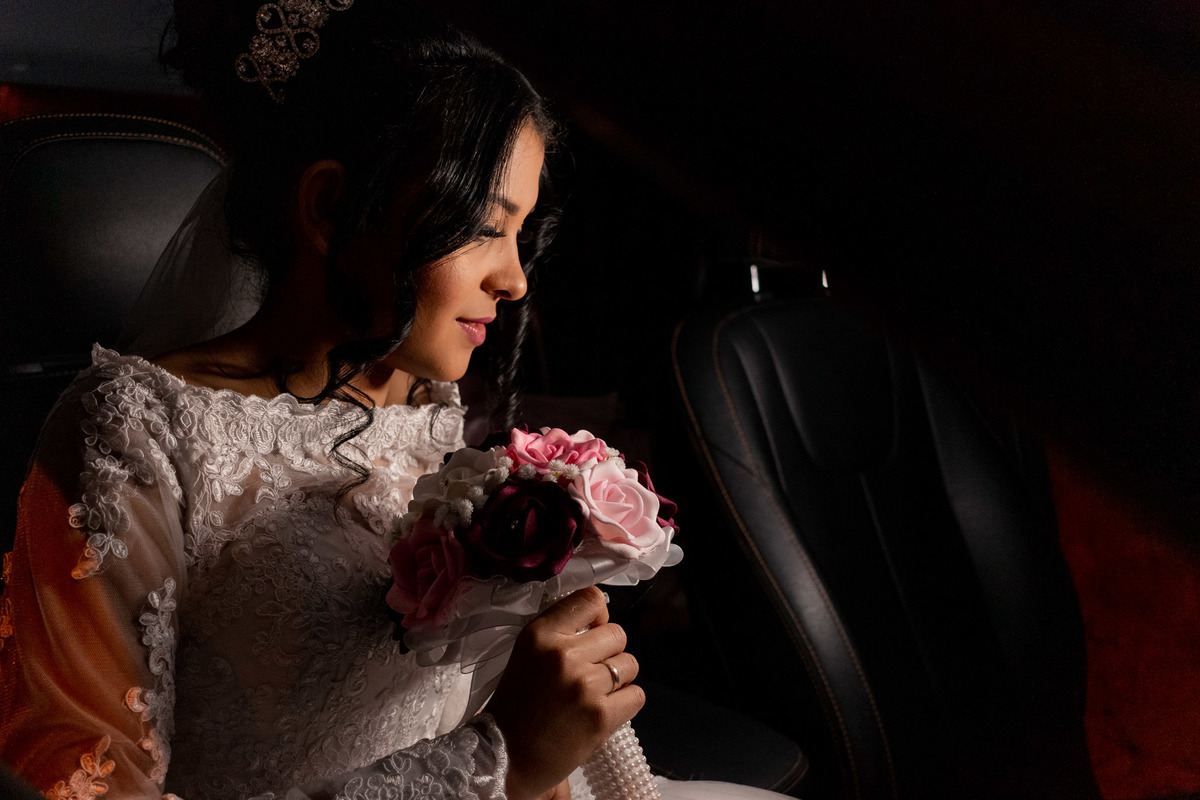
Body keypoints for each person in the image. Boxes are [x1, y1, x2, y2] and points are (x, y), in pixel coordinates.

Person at [0, 3, 790, 799]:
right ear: (330, 206)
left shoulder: (428, 405)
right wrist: (497, 764)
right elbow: (83, 782)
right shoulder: (133, 433)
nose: (515, 280)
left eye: (521, 237)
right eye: (484, 228)